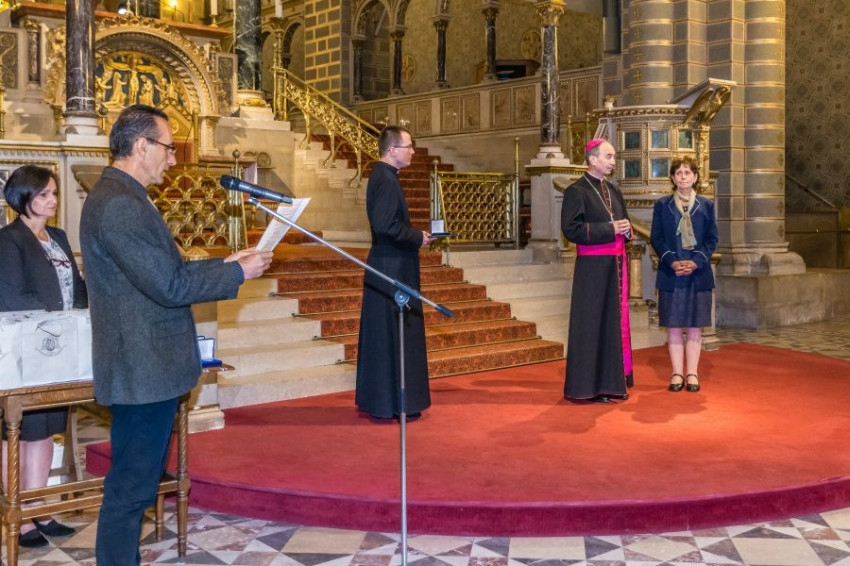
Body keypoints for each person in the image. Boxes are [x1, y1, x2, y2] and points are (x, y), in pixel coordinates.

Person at [79, 104, 273, 565]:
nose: (172, 158)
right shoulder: (119, 204)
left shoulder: (123, 196)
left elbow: (168, 271)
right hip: (141, 367)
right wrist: (237, 274)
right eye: (168, 148)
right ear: (141, 146)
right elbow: (169, 286)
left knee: (138, 483)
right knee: (131, 488)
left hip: (147, 365)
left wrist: (225, 263)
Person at [0, 165, 87, 548]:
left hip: (60, 349)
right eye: (44, 194)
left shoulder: (59, 236)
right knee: (18, 432)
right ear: (23, 197)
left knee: (46, 428)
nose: (53, 200)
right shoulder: (9, 241)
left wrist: (83, 316)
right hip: (25, 349)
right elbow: (13, 296)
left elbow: (75, 287)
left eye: (54, 193)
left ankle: (40, 509)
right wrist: (59, 322)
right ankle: (18, 516)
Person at [355, 125, 435, 420]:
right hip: (391, 267)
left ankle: (385, 401)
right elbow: (385, 225)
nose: (413, 151)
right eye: (408, 146)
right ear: (392, 150)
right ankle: (393, 403)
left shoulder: (385, 176)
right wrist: (417, 237)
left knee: (388, 334)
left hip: (389, 262)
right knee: (393, 333)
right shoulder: (385, 179)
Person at [560, 138, 633, 403]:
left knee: (612, 325)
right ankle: (587, 388)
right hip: (592, 270)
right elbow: (571, 229)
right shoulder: (576, 191)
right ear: (593, 160)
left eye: (613, 157)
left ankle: (611, 384)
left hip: (615, 267)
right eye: (609, 157)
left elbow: (623, 221)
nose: (613, 162)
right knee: (592, 326)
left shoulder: (613, 190)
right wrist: (610, 229)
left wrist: (627, 229)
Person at [650, 155, 719, 392]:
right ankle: (677, 373)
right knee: (673, 326)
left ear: (695, 177)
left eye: (687, 172)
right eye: (678, 173)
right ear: (672, 178)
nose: (683, 177)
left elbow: (712, 239)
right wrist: (672, 261)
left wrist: (696, 262)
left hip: (698, 275)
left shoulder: (706, 205)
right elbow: (656, 238)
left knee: (695, 327)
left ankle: (692, 373)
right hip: (672, 274)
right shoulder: (662, 205)